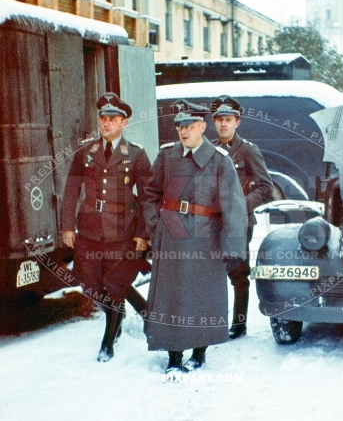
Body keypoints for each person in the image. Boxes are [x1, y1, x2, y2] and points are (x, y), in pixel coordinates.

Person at [143, 100, 248, 374]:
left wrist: (232, 248)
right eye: (179, 126)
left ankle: (199, 352)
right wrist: (155, 225)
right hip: (171, 236)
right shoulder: (167, 157)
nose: (183, 132)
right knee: (170, 297)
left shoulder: (220, 161)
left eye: (189, 126)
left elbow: (234, 208)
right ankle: (174, 356)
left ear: (202, 126)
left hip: (206, 238)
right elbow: (150, 193)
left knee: (203, 298)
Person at [62, 92, 151, 362]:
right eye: (103, 118)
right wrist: (67, 227)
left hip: (122, 231)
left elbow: (148, 196)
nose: (106, 124)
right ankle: (127, 312)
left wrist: (143, 234)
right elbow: (71, 190)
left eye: (113, 119)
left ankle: (107, 343)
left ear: (124, 123)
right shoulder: (85, 152)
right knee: (88, 285)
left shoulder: (136, 154)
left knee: (115, 285)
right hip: (89, 229)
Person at [211, 95, 273, 339]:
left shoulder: (247, 150)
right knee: (213, 272)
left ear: (237, 122)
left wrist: (238, 207)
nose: (223, 125)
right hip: (213, 223)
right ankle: (214, 321)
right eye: (219, 120)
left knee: (238, 274)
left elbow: (266, 187)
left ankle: (239, 324)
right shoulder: (210, 149)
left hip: (239, 224)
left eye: (228, 120)